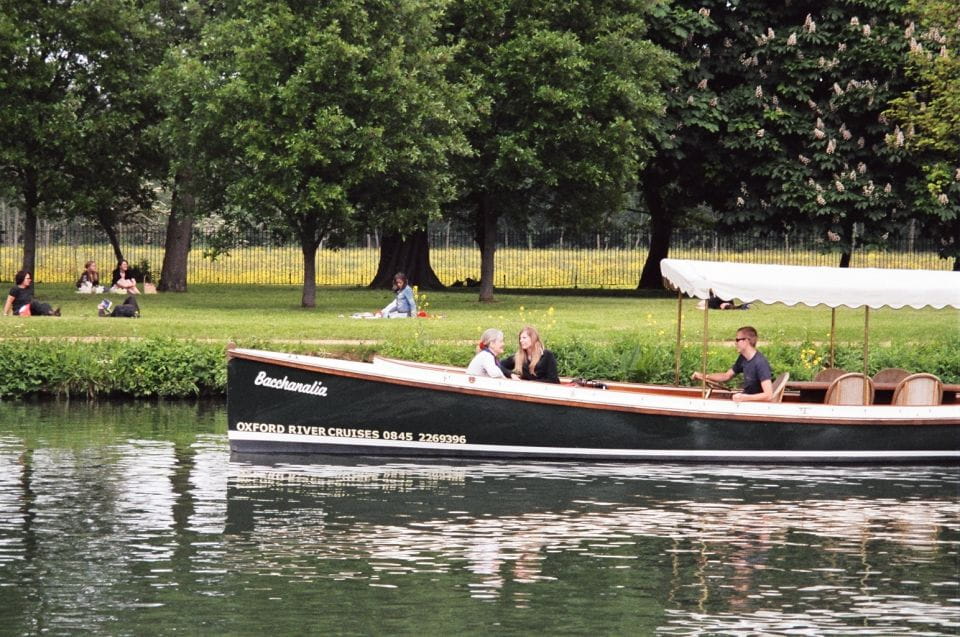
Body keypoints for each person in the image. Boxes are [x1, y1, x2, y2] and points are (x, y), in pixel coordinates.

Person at [691, 326, 773, 402]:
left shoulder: (760, 363)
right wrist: (705, 376)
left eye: (737, 340)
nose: (735, 343)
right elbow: (726, 376)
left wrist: (744, 397)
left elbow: (768, 395)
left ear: (746, 341)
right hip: (746, 402)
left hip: (754, 406)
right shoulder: (743, 358)